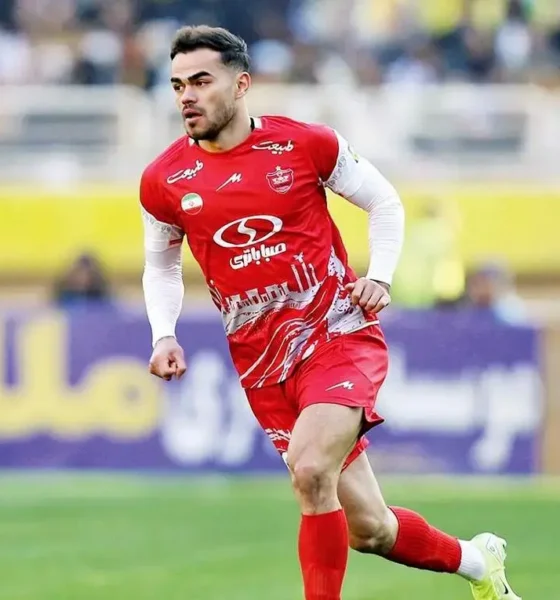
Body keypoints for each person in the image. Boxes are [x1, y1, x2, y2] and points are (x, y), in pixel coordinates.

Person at [140, 25, 521, 600]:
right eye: (177, 86)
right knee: (370, 528)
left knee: (311, 470)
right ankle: (477, 562)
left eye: (201, 81)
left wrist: (380, 277)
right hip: (262, 363)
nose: (187, 97)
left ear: (241, 85)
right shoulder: (164, 180)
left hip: (336, 334)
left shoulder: (305, 144)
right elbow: (162, 266)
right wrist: (163, 334)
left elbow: (383, 201)